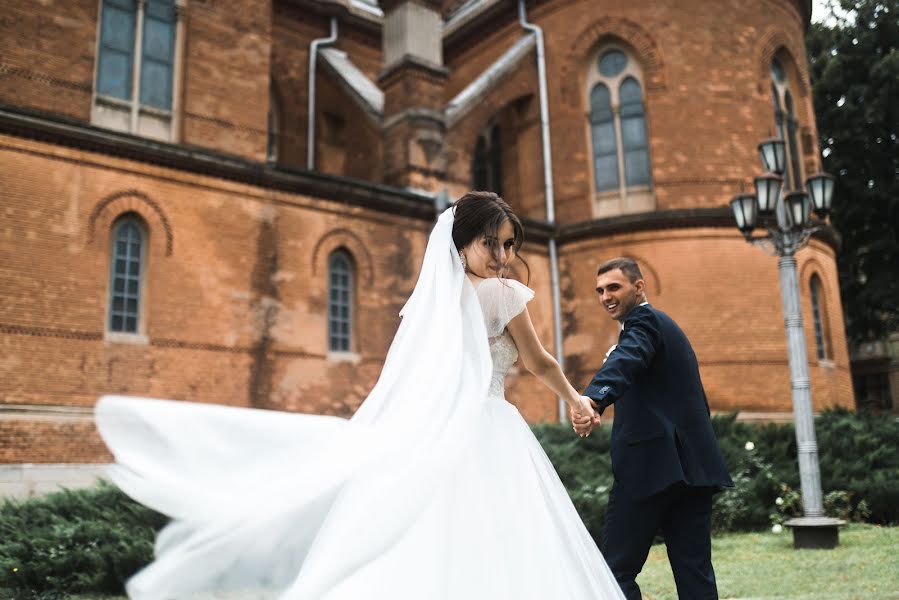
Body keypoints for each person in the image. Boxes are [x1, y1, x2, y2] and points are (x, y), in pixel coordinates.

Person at [96, 191, 625, 600]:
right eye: (493, 243)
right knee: (501, 541)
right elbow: (536, 361)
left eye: (510, 245)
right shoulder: (503, 296)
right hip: (488, 430)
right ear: (461, 241)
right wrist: (577, 400)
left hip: (443, 431)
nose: (504, 257)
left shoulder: (431, 304)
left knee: (439, 539)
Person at [571, 257, 733, 600]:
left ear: (639, 287)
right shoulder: (663, 327)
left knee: (614, 572)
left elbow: (626, 359)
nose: (605, 297)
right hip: (693, 470)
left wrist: (593, 400)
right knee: (695, 575)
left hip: (650, 468)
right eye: (599, 291)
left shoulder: (643, 321)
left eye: (614, 287)